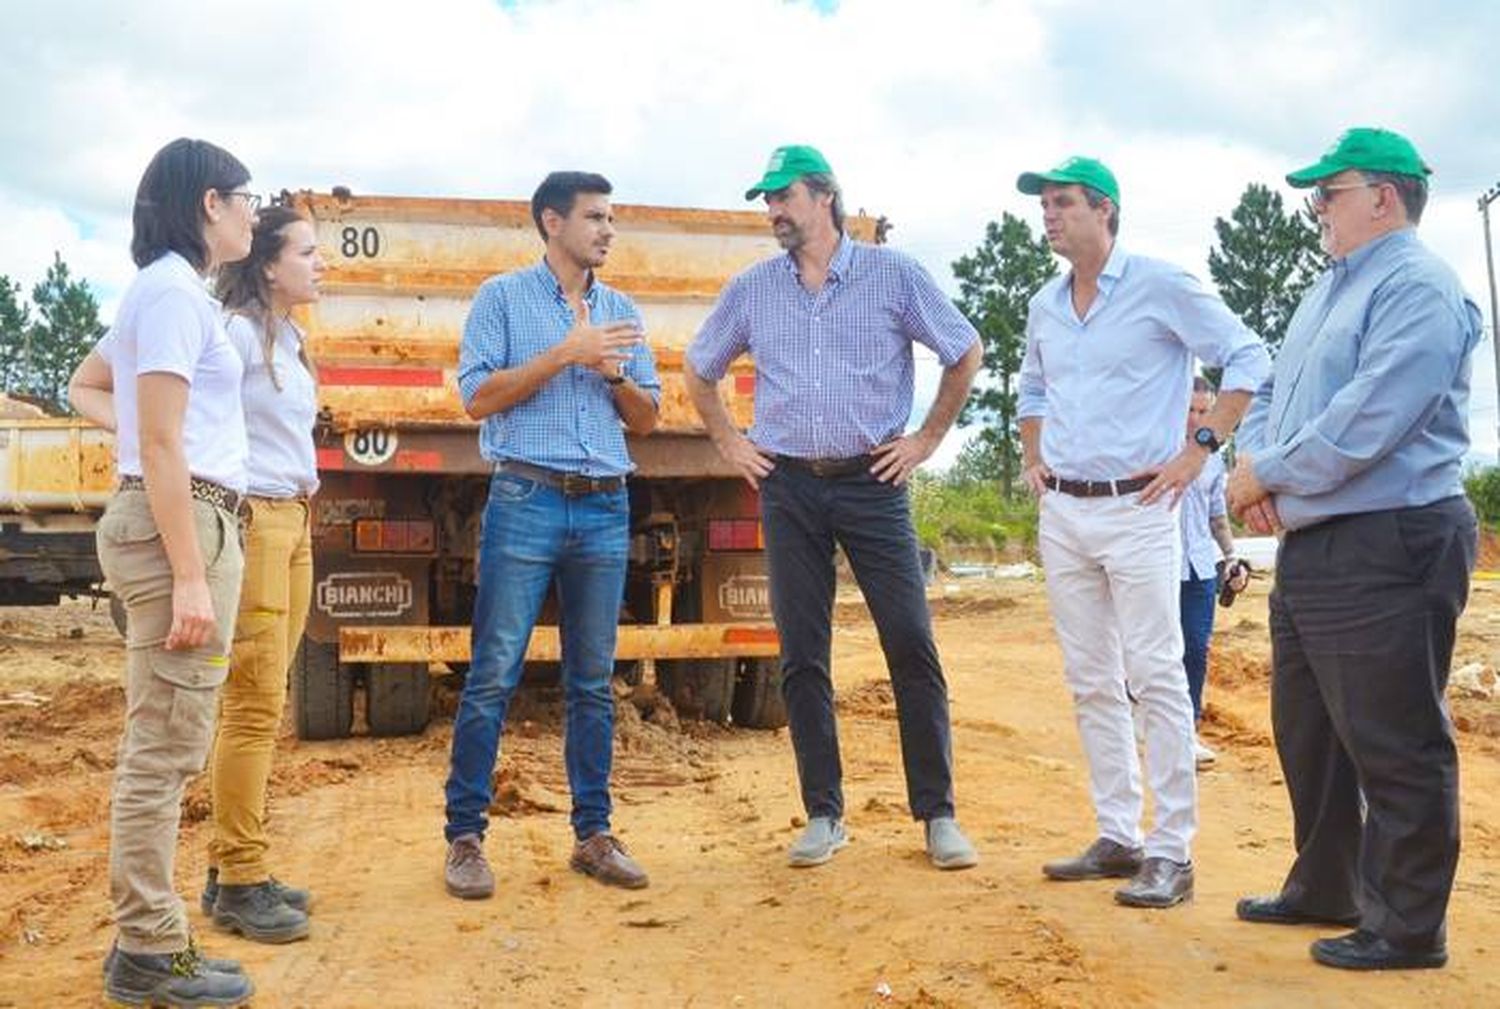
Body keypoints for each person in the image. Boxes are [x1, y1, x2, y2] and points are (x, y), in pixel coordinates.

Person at [685, 144, 984, 871]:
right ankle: (824, 812)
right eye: (767, 201)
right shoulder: (755, 289)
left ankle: (938, 814)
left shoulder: (893, 274)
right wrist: (730, 441)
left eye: (782, 196)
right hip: (788, 486)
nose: (772, 211)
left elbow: (965, 349)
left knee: (910, 640)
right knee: (801, 651)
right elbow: (699, 368)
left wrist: (926, 438)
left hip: (873, 481)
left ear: (824, 197)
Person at [1229, 128, 1482, 971]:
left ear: (1384, 196)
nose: (1315, 210)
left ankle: (1407, 925)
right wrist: (1256, 471)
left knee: (1393, 736)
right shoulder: (1327, 289)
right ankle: (1326, 883)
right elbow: (1270, 390)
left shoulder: (1419, 287)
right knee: (1310, 729)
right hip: (1320, 541)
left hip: (1391, 538)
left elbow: (1369, 421)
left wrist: (1270, 478)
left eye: (1326, 194)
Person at [1015, 156, 1269, 908]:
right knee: (1091, 678)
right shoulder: (1045, 304)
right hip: (1064, 510)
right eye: (1046, 205)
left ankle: (1172, 850)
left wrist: (1200, 450)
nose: (1049, 216)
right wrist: (1033, 455)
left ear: (1106, 211)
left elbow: (1248, 354)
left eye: (1062, 203)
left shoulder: (1161, 286)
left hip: (1140, 509)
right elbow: (1032, 384)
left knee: (1156, 675)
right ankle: (1119, 834)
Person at [69, 137, 258, 1007]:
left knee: (168, 737)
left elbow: (86, 385)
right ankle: (148, 947)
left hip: (182, 518)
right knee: (164, 746)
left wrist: (143, 444)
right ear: (208, 204)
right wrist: (190, 570)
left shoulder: (170, 296)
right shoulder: (176, 294)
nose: (255, 212)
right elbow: (163, 437)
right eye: (245, 197)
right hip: (182, 525)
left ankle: (149, 939)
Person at [443, 171, 661, 899]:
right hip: (526, 496)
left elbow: (648, 418)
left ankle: (594, 834)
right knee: (493, 673)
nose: (607, 230)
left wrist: (610, 375)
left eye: (611, 217)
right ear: (551, 221)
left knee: (593, 681)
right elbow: (478, 396)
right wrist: (564, 354)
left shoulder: (624, 311)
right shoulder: (501, 299)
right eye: (595, 217)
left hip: (605, 506)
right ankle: (466, 838)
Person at [188, 205, 324, 944]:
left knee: (262, 701)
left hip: (293, 520)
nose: (320, 264)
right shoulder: (234, 334)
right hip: (258, 522)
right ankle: (241, 877)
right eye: (307, 252)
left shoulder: (290, 337)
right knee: (252, 704)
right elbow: (192, 423)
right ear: (269, 265)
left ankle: (229, 868)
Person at [1176, 376, 1248, 769]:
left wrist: (1232, 557)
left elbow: (1217, 516)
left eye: (1205, 411)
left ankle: (1187, 731)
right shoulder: (1155, 448)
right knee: (1155, 649)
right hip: (1159, 564)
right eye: (1191, 409)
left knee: (1195, 648)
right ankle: (1139, 712)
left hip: (1200, 566)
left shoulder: (1213, 457)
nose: (1198, 417)